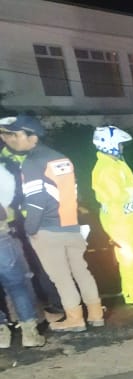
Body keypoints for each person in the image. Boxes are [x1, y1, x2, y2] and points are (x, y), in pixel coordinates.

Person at [0, 115, 101, 332]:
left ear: (31, 136)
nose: (9, 140)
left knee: (61, 277)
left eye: (14, 135)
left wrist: (30, 229)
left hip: (47, 229)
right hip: (71, 226)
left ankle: (75, 319)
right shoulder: (60, 158)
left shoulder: (32, 163)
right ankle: (95, 313)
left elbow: (36, 203)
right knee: (82, 272)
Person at [0, 116, 64, 323]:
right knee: (26, 271)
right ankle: (36, 315)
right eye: (5, 135)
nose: (7, 138)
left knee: (49, 265)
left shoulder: (40, 154)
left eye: (11, 134)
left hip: (46, 218)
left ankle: (59, 306)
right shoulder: (6, 161)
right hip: (17, 223)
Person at [91, 125, 133, 306]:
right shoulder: (106, 169)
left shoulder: (116, 164)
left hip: (130, 219)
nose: (122, 148)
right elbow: (117, 196)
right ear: (110, 144)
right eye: (120, 144)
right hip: (120, 222)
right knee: (130, 259)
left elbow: (123, 188)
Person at [0, 153, 44, 348]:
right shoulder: (3, 173)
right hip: (1, 237)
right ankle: (29, 334)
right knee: (17, 285)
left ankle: (2, 336)